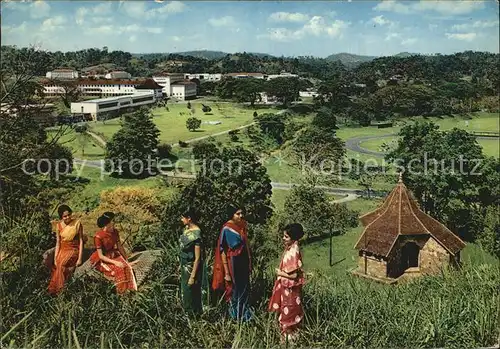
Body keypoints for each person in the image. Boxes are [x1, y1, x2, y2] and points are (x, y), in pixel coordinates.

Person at [212, 205, 252, 321]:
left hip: (243, 260)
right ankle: (235, 317)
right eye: (238, 213)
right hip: (233, 261)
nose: (241, 216)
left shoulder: (241, 226)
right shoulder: (227, 228)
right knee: (235, 289)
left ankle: (245, 316)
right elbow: (223, 250)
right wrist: (227, 272)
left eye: (242, 213)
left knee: (244, 289)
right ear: (231, 215)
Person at [268, 223, 305, 344]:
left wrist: (280, 273)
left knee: (289, 309)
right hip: (287, 287)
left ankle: (289, 336)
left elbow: (293, 275)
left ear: (293, 238)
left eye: (286, 237)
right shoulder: (291, 248)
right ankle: (290, 334)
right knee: (289, 309)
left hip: (290, 288)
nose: (283, 238)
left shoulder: (293, 251)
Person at [89, 212, 137, 294]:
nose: (114, 222)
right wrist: (116, 263)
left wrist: (127, 261)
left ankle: (130, 291)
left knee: (127, 267)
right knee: (119, 269)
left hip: (113, 253)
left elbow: (119, 247)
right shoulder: (98, 236)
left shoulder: (115, 231)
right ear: (107, 223)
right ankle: (122, 292)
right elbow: (100, 255)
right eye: (112, 221)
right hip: (103, 258)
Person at [48, 205, 85, 295]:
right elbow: (58, 243)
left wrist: (80, 258)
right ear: (61, 217)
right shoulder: (59, 226)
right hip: (63, 250)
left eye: (69, 215)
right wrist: (55, 258)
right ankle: (57, 289)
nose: (68, 217)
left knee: (61, 265)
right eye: (65, 216)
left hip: (73, 250)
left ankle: (58, 290)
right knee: (58, 265)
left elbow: (81, 240)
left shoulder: (77, 223)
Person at [179, 209, 208, 315]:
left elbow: (197, 258)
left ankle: (194, 317)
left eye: (183, 217)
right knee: (185, 292)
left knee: (191, 292)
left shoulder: (196, 233)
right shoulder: (186, 229)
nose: (181, 220)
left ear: (189, 218)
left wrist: (192, 276)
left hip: (191, 267)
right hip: (184, 265)